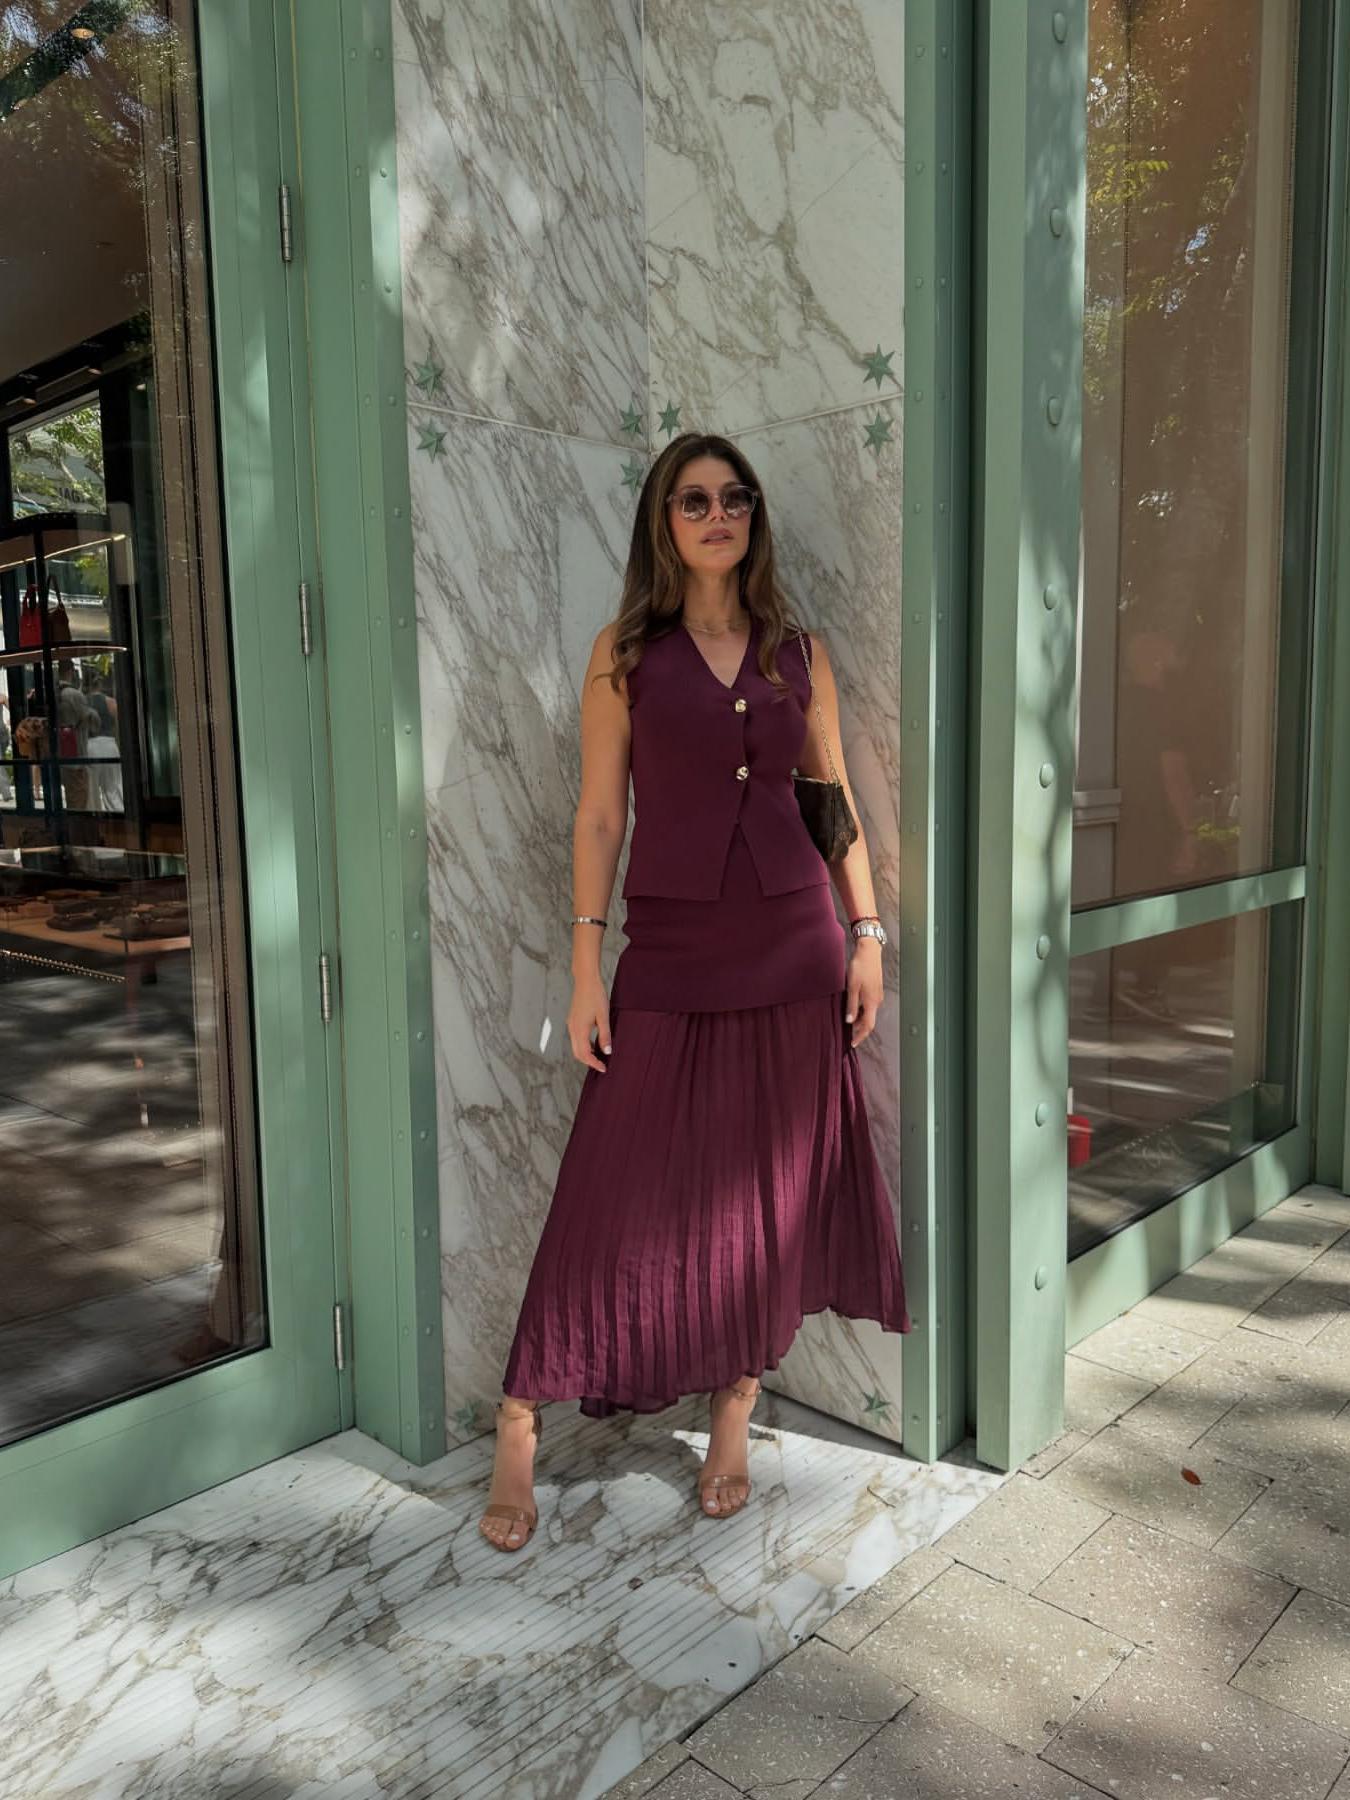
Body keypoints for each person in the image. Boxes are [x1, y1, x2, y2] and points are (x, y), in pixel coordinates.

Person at [477, 433, 912, 1553]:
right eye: (693, 500)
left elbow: (827, 797)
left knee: (765, 1197)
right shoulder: (624, 655)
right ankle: (522, 1411)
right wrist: (586, 968)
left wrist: (865, 931)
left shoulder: (797, 655)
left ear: (753, 518)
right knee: (611, 1186)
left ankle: (733, 1407)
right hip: (671, 949)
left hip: (794, 947)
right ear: (663, 524)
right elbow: (599, 817)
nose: (718, 515)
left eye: (734, 498)